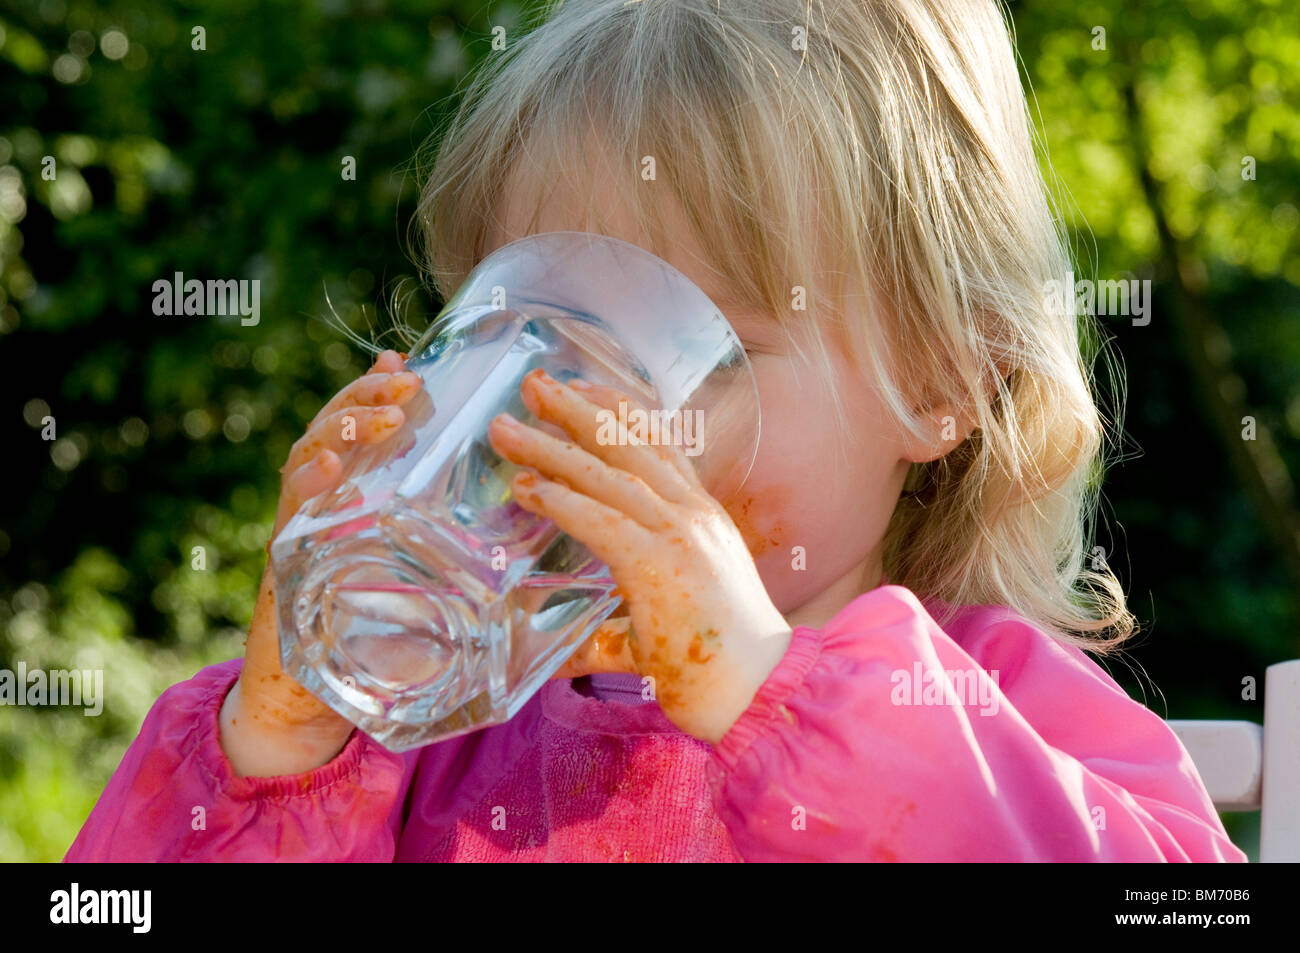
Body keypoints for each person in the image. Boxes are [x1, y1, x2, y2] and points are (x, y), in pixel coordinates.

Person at [65, 0, 1245, 861]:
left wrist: (767, 688)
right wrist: (274, 746)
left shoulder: (1000, 707)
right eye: (539, 334)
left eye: (703, 346)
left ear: (945, 377)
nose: (598, 414)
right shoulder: (436, 736)